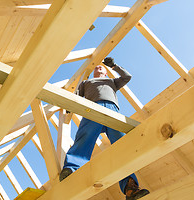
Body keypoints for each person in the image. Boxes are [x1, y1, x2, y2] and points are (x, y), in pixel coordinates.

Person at [59, 57, 150, 200]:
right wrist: (69, 106)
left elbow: (127, 77)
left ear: (106, 73)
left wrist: (114, 66)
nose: (98, 68)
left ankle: (130, 187)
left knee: (121, 146)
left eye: (101, 68)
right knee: (84, 137)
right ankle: (71, 169)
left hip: (112, 109)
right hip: (92, 108)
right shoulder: (86, 82)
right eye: (96, 68)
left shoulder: (112, 82)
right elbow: (77, 95)